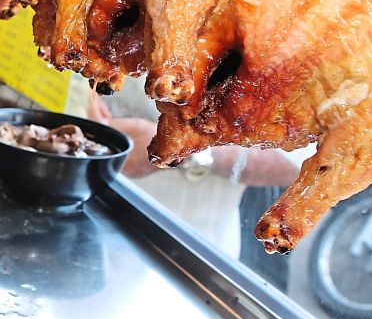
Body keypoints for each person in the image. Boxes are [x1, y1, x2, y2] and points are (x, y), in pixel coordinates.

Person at [88, 77, 304, 262]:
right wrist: (87, 95)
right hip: (98, 210)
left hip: (194, 248)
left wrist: (179, 149)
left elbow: (296, 162)